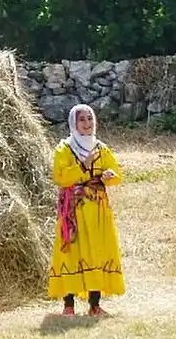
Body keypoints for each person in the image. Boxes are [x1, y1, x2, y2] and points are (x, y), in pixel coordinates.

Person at [48, 104, 125, 317]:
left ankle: (94, 304)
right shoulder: (64, 149)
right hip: (74, 210)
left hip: (97, 210)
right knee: (72, 253)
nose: (87, 123)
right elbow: (60, 177)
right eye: (82, 119)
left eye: (90, 119)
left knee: (97, 252)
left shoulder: (101, 148)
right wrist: (83, 166)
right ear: (74, 123)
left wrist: (109, 176)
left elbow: (116, 173)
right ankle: (68, 304)